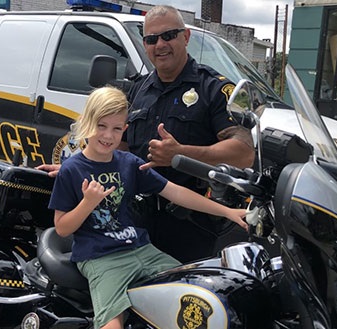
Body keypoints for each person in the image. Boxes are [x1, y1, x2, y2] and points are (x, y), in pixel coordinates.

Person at [38, 5, 255, 263]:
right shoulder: (138, 90)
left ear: (185, 37)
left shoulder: (213, 88)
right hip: (133, 220)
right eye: (152, 39)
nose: (160, 44)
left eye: (168, 35)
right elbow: (118, 147)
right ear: (145, 44)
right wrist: (82, 166)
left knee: (181, 294)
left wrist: (181, 153)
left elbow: (245, 153)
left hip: (189, 223)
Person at [49, 86, 247, 329]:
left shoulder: (129, 163)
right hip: (100, 257)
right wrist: (87, 203)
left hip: (141, 250)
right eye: (101, 126)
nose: (108, 136)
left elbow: (174, 191)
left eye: (116, 128)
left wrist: (227, 211)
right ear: (87, 121)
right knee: (111, 325)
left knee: (195, 292)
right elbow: (62, 228)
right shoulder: (71, 170)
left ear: (125, 129)